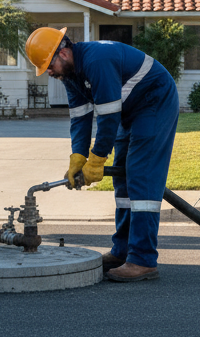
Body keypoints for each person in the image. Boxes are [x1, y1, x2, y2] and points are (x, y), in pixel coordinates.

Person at [25, 27, 179, 282]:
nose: (48, 72)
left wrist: (97, 159)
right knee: (122, 179)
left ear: (63, 52)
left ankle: (143, 259)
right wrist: (78, 157)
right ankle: (122, 251)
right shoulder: (71, 76)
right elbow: (80, 119)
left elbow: (108, 117)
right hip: (131, 111)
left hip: (155, 101)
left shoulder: (97, 60)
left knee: (141, 176)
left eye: (48, 65)